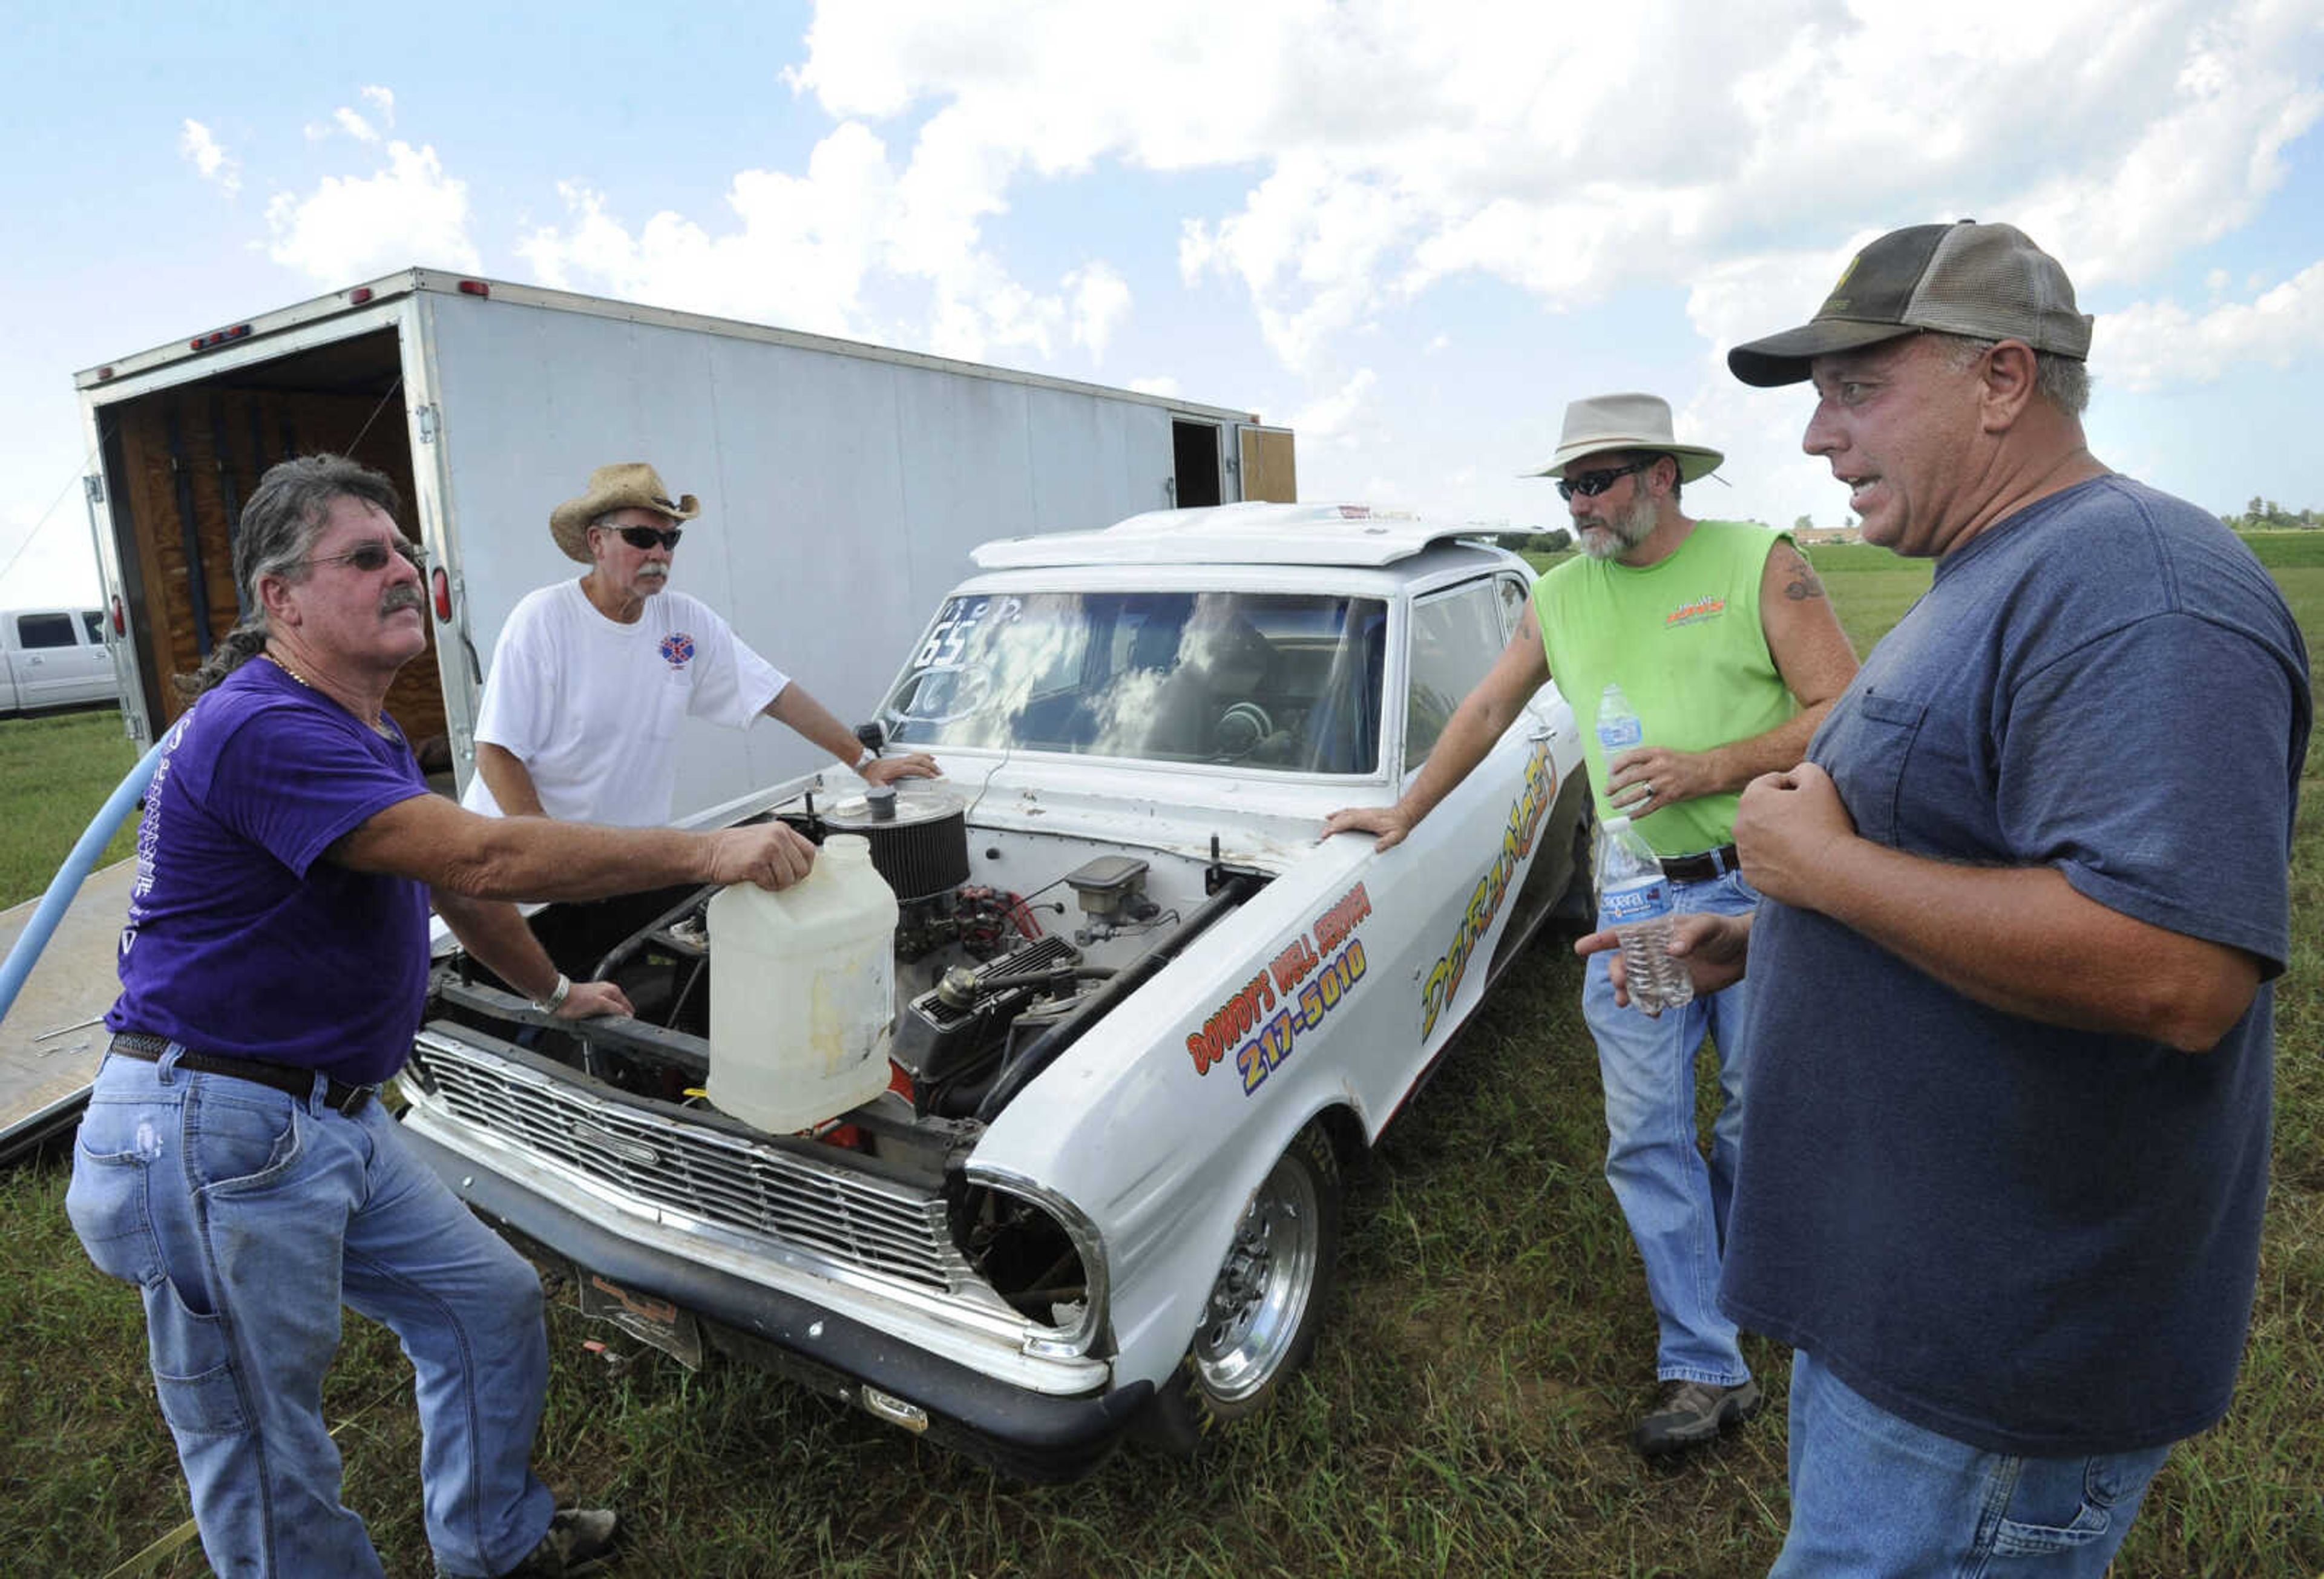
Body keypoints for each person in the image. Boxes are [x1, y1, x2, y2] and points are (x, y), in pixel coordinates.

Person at [1589, 220, 2309, 1571]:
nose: (1818, 435)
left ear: (2001, 381)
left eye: (1859, 389)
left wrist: (1825, 870)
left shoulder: (2141, 590)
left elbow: (2179, 969)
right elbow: (1970, 851)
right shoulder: (1986, 570)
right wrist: (1766, 933)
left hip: (1999, 1360)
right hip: (1905, 1316)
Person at [66, 455, 820, 1578]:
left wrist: (555, 992)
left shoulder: (357, 732)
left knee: (487, 1302)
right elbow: (486, 848)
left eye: (407, 554)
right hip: (212, 1128)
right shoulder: (261, 726)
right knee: (266, 1450)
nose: (402, 573)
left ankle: (494, 1539)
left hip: (322, 1117)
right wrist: (711, 848)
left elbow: (458, 889)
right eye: (366, 556)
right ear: (283, 598)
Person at [1323, 393, 1859, 1455]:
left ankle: (1733, 1271)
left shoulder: (1761, 561)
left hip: (1763, 887)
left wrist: (1711, 766)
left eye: (1599, 479)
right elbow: (1483, 709)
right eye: (1568, 484)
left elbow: (1844, 707)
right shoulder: (1563, 594)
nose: (1579, 502)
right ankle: (1704, 1358)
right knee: (1651, 1125)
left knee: (1760, 1110)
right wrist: (1406, 808)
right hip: (1646, 905)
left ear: (1664, 475)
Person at [462, 461, 938, 827]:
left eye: (671, 539)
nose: (659, 553)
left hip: (619, 868)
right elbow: (497, 752)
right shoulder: (542, 620)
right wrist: (545, 851)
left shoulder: (683, 622)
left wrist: (865, 763)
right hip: (523, 886)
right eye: (642, 536)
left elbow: (777, 694)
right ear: (597, 541)